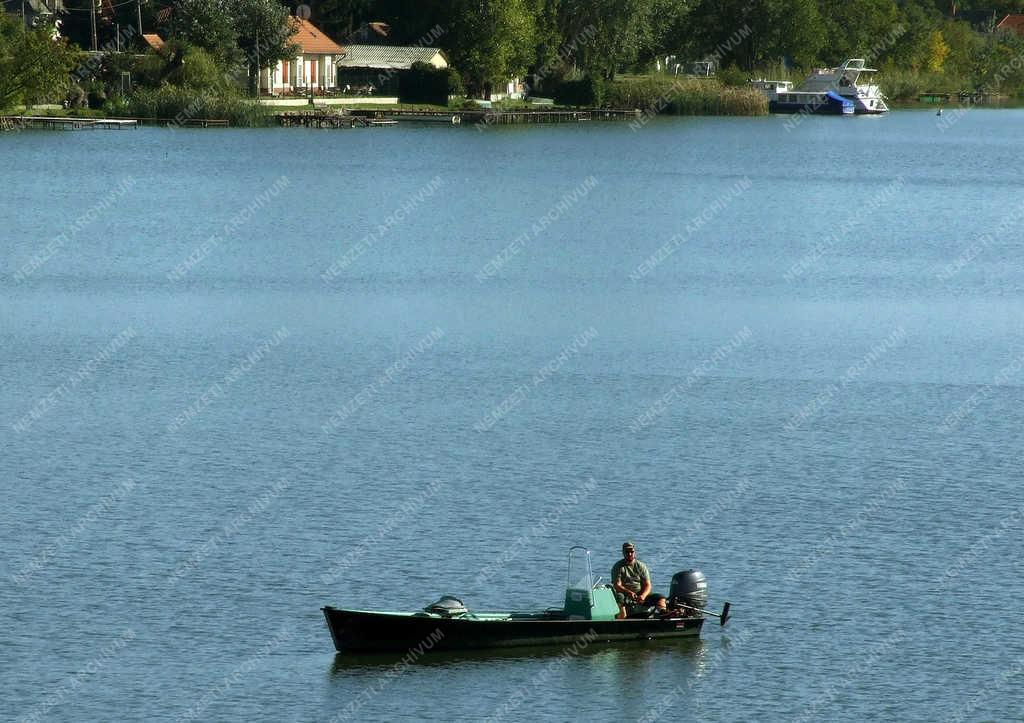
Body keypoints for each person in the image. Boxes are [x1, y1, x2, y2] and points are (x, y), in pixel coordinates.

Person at [611, 541, 652, 619]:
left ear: (634, 552)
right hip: (625, 594)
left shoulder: (641, 566)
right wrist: (629, 592)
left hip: (640, 594)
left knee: (660, 598)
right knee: (620, 596)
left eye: (631, 551)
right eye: (627, 552)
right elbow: (617, 585)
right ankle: (623, 619)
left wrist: (643, 595)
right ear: (623, 553)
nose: (629, 554)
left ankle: (663, 614)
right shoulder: (618, 567)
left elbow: (648, 585)